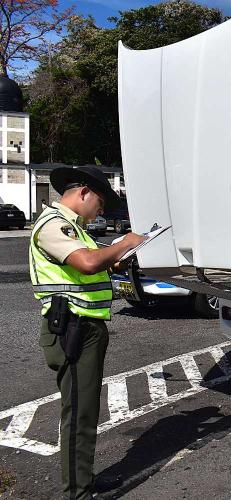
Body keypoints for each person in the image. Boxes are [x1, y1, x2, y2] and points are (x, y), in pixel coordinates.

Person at [29, 166, 145, 499]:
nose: (102, 211)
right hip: (71, 330)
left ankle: (84, 479)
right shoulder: (53, 225)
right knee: (78, 415)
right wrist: (123, 244)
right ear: (84, 192)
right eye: (101, 203)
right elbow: (87, 263)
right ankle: (76, 493)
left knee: (86, 411)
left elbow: (95, 262)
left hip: (84, 328)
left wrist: (116, 260)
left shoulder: (76, 229)